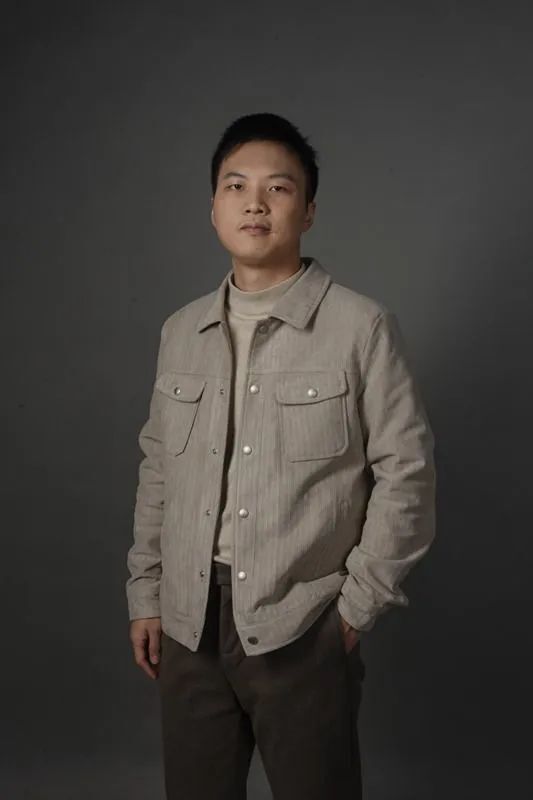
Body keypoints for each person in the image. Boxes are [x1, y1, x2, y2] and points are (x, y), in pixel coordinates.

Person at [125, 112, 437, 800]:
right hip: (187, 622)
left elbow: (407, 476)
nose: (255, 203)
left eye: (279, 187)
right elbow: (158, 470)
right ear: (213, 207)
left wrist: (352, 610)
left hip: (303, 625)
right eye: (235, 186)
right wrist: (146, 594)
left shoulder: (360, 327)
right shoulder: (180, 331)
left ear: (309, 210)